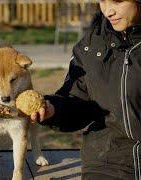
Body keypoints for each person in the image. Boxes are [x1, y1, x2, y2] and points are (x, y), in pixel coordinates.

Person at [30, 0, 141, 179]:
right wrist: (52, 109)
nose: (107, 11)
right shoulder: (91, 45)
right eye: (102, 1)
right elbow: (79, 102)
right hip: (108, 165)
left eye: (117, 1)